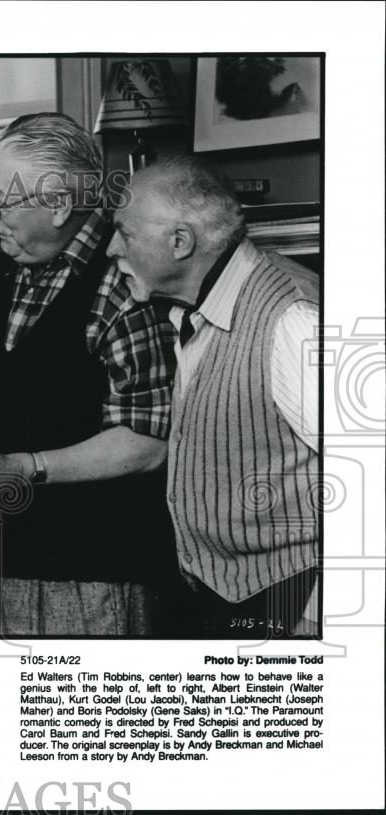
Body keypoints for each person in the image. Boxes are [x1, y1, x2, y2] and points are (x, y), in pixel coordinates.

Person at [0, 113, 178, 636]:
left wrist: (23, 466)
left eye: (3, 199)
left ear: (60, 205)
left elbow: (149, 442)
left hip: (94, 573)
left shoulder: (123, 280)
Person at [108, 155, 320, 637]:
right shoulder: (198, 308)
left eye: (125, 232)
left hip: (291, 603)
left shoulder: (293, 319)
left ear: (180, 242)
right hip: (224, 596)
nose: (110, 247)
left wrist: (318, 616)